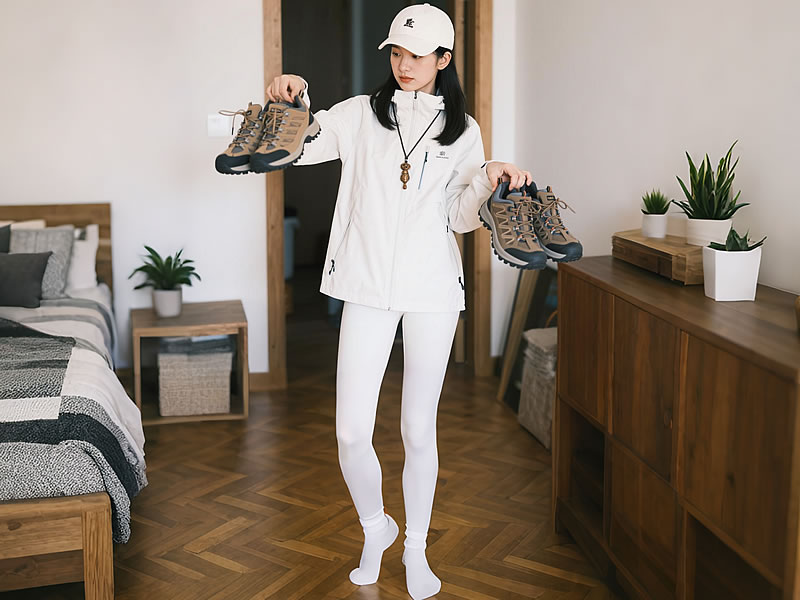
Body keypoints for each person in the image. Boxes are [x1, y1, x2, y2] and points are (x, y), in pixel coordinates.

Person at [266, 4, 532, 599]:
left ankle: (415, 548)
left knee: (417, 429)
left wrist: (487, 177)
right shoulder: (358, 115)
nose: (404, 65)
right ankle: (375, 527)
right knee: (350, 433)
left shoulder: (463, 131)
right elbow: (300, 147)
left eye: (417, 55)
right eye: (396, 53)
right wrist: (292, 98)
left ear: (444, 59)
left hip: (432, 291)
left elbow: (460, 217)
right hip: (365, 288)